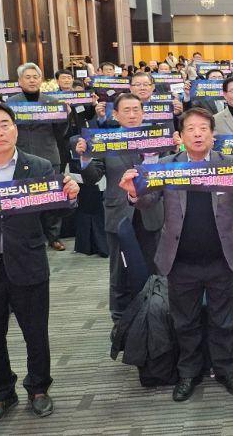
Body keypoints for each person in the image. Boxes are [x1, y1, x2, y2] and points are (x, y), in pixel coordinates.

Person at [120, 107, 233, 402]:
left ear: (213, 135)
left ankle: (226, 369)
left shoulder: (230, 165)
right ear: (181, 136)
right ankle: (188, 372)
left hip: (223, 257)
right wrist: (133, 192)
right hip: (181, 260)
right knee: (185, 322)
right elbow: (148, 201)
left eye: (203, 129)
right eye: (191, 129)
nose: (197, 134)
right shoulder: (166, 166)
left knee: (223, 320)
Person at [0, 102, 79, 428]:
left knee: (35, 332)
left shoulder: (39, 166)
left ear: (16, 129)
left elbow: (53, 214)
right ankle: (0, 394)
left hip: (27, 260)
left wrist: (69, 196)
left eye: (4, 124)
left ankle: (38, 389)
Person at [76, 93, 167, 322]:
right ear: (115, 115)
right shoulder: (105, 141)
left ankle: (155, 316)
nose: (132, 114)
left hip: (152, 212)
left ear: (143, 113)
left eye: (136, 110)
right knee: (119, 272)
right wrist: (85, 159)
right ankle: (120, 321)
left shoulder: (157, 139)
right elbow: (92, 177)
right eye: (126, 110)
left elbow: (170, 172)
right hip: (119, 213)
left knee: (155, 268)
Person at [7, 63, 69, 251]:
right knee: (22, 198)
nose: (32, 80)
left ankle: (54, 236)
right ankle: (26, 236)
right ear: (20, 81)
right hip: (20, 156)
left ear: (40, 80)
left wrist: (65, 116)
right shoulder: (10, 104)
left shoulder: (52, 102)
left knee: (52, 198)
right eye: (28, 77)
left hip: (48, 154)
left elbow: (61, 132)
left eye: (35, 77)